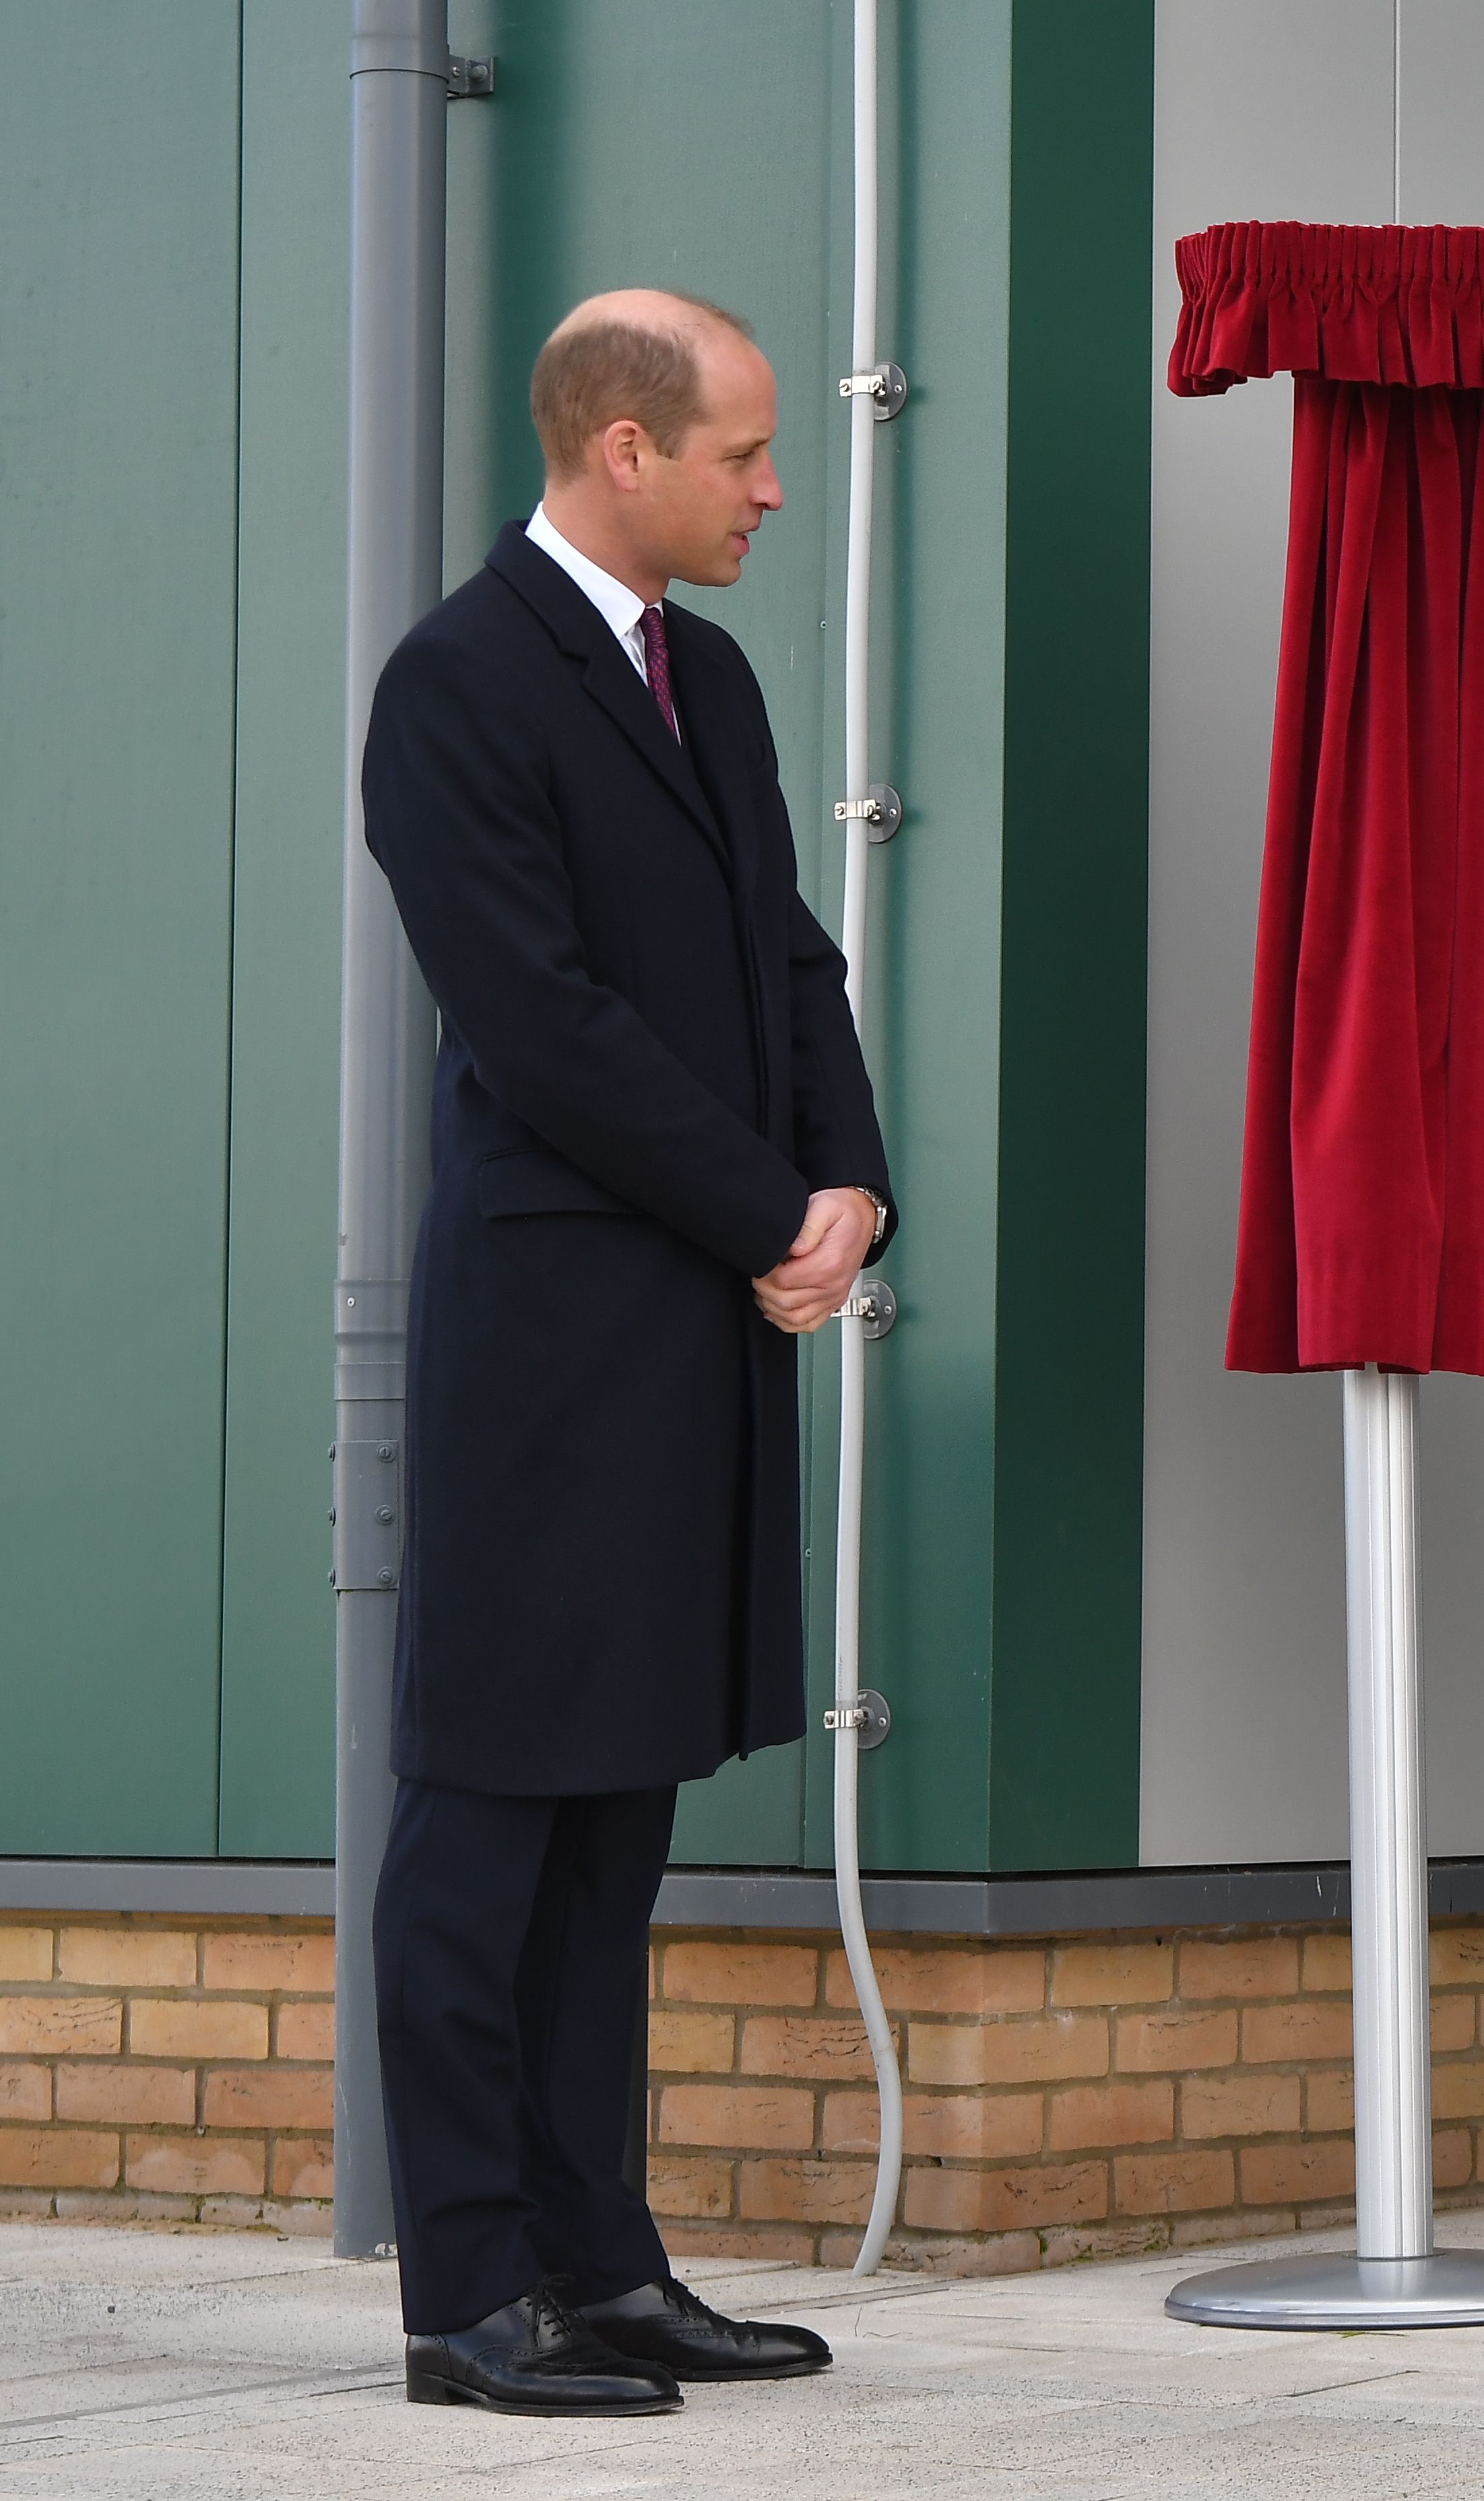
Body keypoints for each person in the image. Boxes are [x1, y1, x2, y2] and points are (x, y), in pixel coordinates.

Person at [362, 290, 894, 2413]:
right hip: (557, 1338)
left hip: (690, 1319)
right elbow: (542, 1022)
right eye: (746, 455)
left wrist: (849, 1180)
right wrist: (766, 1207)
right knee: (490, 1821)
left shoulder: (717, 677)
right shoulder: (459, 683)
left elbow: (786, 951)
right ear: (619, 449)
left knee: (615, 1835)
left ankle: (606, 2265)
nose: (776, 489)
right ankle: (465, 2299)